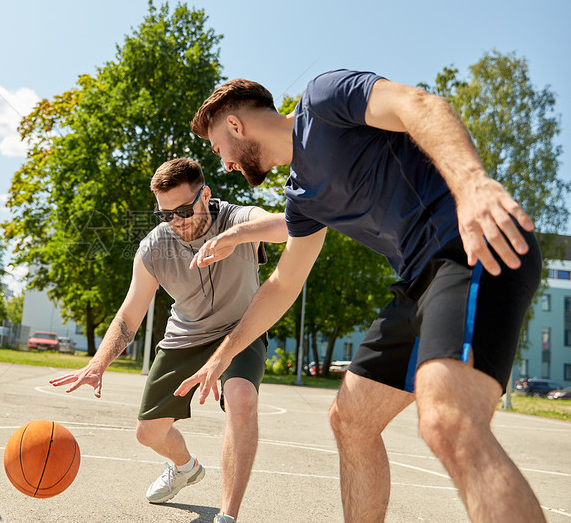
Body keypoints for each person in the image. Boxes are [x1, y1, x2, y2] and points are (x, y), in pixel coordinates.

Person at [178, 71, 545, 523]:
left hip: (469, 247)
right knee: (351, 419)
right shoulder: (301, 198)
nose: (225, 163)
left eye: (219, 149)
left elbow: (421, 106)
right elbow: (283, 285)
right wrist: (223, 354)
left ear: (236, 125)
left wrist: (472, 184)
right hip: (417, 281)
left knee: (448, 422)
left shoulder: (324, 101)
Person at [50, 158, 288, 523]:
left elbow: (289, 225)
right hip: (186, 337)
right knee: (148, 433)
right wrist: (98, 363)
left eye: (183, 209)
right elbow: (130, 314)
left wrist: (235, 237)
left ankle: (227, 515)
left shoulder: (237, 219)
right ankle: (185, 467)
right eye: (166, 214)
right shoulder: (154, 247)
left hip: (239, 331)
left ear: (205, 195)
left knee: (242, 399)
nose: (177, 221)